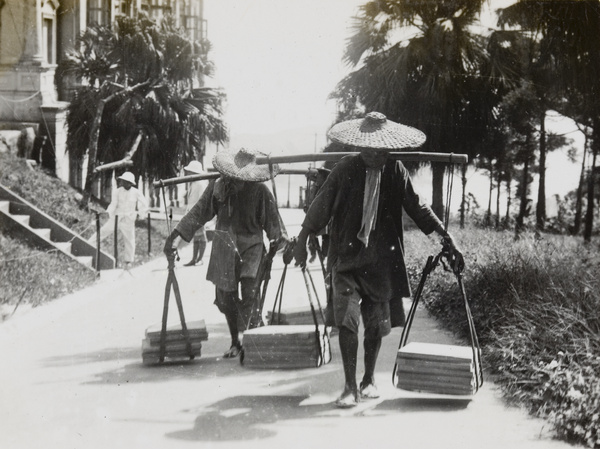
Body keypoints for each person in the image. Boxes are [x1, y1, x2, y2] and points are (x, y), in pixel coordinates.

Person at [290, 112, 464, 408]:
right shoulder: (344, 169)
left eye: (380, 151)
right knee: (346, 320)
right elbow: (321, 205)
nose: (374, 155)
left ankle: (368, 378)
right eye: (369, 150)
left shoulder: (396, 171)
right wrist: (303, 239)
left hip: (382, 260)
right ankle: (348, 387)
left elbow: (419, 207)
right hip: (346, 259)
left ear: (387, 149)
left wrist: (448, 238)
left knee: (374, 324)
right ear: (361, 147)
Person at [163, 148, 289, 359]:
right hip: (224, 245)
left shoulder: (260, 191)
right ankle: (235, 341)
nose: (238, 181)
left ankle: (251, 338)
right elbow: (198, 212)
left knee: (250, 291)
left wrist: (280, 242)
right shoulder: (217, 187)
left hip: (252, 246)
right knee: (225, 298)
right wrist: (174, 236)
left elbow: (274, 224)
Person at [88, 171, 148, 268]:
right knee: (103, 231)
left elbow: (144, 205)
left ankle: (129, 261)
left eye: (125, 181)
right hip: (116, 217)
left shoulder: (136, 192)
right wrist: (108, 212)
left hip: (128, 219)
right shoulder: (117, 191)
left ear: (130, 183)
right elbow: (113, 204)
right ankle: (89, 245)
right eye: (122, 181)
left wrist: (139, 215)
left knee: (130, 239)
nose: (123, 183)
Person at [182, 160, 209, 266]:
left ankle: (200, 258)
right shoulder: (193, 183)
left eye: (190, 172)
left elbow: (203, 200)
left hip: (199, 214)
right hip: (193, 213)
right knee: (196, 236)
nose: (188, 174)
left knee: (201, 236)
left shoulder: (200, 183)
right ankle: (194, 258)